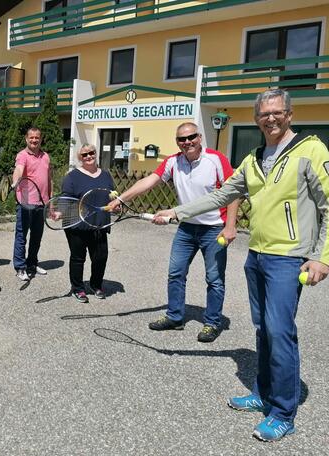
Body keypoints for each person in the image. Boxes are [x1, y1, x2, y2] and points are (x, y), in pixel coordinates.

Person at [155, 89, 329, 442]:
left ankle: (282, 411)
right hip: (258, 256)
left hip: (289, 258)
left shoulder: (311, 150)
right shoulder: (254, 158)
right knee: (264, 330)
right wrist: (176, 212)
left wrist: (321, 256)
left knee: (280, 332)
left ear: (290, 114)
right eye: (264, 114)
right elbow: (222, 194)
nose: (271, 118)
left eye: (277, 112)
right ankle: (263, 393)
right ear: (256, 119)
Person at [108, 122, 239, 343]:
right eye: (182, 139)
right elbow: (148, 182)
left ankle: (212, 322)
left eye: (191, 137)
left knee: (214, 279)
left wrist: (231, 226)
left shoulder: (216, 159)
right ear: (177, 142)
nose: (187, 142)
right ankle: (175, 316)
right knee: (176, 273)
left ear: (199, 137)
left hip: (214, 228)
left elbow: (233, 192)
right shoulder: (173, 162)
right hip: (186, 227)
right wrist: (121, 199)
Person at [60, 144, 114, 302]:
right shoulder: (72, 176)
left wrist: (114, 204)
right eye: (84, 155)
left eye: (91, 153)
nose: (89, 156)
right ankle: (77, 288)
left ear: (96, 154)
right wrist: (59, 212)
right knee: (78, 258)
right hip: (77, 225)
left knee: (100, 257)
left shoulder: (106, 175)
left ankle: (96, 284)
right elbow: (65, 198)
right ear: (80, 158)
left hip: (99, 224)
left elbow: (111, 195)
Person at [12, 127, 52, 281]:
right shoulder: (22, 155)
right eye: (31, 138)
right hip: (25, 203)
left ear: (40, 139)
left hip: (41, 204)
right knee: (21, 236)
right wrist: (16, 182)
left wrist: (50, 202)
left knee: (37, 236)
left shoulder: (46, 156)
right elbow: (19, 169)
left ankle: (32, 264)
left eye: (37, 138)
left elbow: (49, 180)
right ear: (26, 139)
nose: (34, 140)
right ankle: (20, 267)